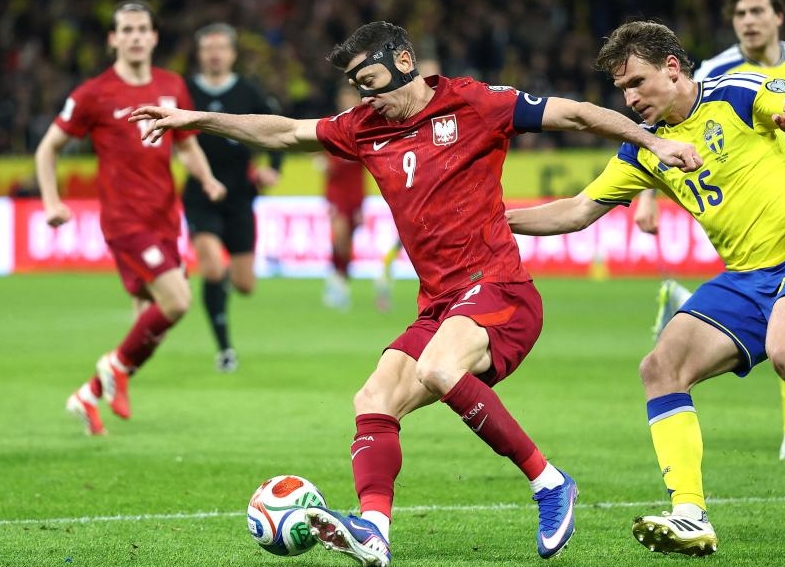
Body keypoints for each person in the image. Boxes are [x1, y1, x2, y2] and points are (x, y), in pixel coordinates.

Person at [130, 21, 699, 566]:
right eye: (357, 87)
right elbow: (283, 131)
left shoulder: (474, 103)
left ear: (404, 62)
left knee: (437, 367)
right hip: (442, 306)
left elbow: (576, 114)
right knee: (372, 400)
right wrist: (196, 119)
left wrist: (652, 142)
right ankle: (374, 531)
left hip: (500, 289)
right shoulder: (363, 125)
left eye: (371, 82)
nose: (366, 97)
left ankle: (550, 483)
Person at [506, 20, 785, 557]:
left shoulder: (737, 94)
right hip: (744, 278)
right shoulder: (645, 147)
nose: (630, 100)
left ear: (673, 69)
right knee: (660, 368)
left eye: (637, 83)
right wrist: (497, 220)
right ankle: (690, 515)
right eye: (622, 90)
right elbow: (578, 210)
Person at [633, 0, 785, 464]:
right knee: (783, 316)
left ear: (779, 16)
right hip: (737, 201)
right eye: (739, 14)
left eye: (757, 11)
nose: (748, 21)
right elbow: (668, 128)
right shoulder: (718, 70)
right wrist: (646, 197)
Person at [35, 1, 225, 436]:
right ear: (113, 39)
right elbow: (48, 148)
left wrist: (207, 178)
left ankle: (87, 394)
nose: (135, 36)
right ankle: (112, 367)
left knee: (149, 324)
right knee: (177, 301)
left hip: (165, 219)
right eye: (127, 29)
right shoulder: (94, 93)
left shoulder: (172, 85)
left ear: (154, 37)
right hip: (125, 222)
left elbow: (186, 145)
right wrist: (51, 202)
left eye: (142, 29)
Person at [184, 23, 284, 372]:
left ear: (232, 54)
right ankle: (225, 349)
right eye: (208, 48)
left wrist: (273, 167)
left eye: (221, 48)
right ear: (200, 54)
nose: (215, 54)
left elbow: (277, 127)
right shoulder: (185, 92)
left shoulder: (247, 91)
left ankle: (221, 284)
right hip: (200, 193)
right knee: (211, 266)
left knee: (244, 285)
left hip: (241, 196)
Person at [321, 85, 368, 311]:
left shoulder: (364, 128)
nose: (348, 102)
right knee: (339, 237)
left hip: (355, 194)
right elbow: (322, 158)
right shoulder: (331, 126)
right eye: (344, 98)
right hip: (336, 194)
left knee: (347, 243)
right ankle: (335, 279)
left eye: (351, 98)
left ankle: (341, 281)